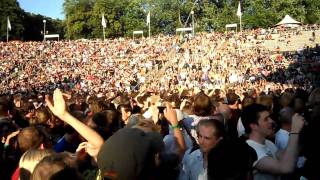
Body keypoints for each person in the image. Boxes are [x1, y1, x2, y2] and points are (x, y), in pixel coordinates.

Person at [241, 104, 305, 180]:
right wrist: (294, 131)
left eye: (270, 117)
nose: (271, 121)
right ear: (253, 126)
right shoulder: (251, 150)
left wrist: (301, 132)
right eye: (266, 119)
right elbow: (286, 168)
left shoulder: (267, 142)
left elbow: (286, 157)